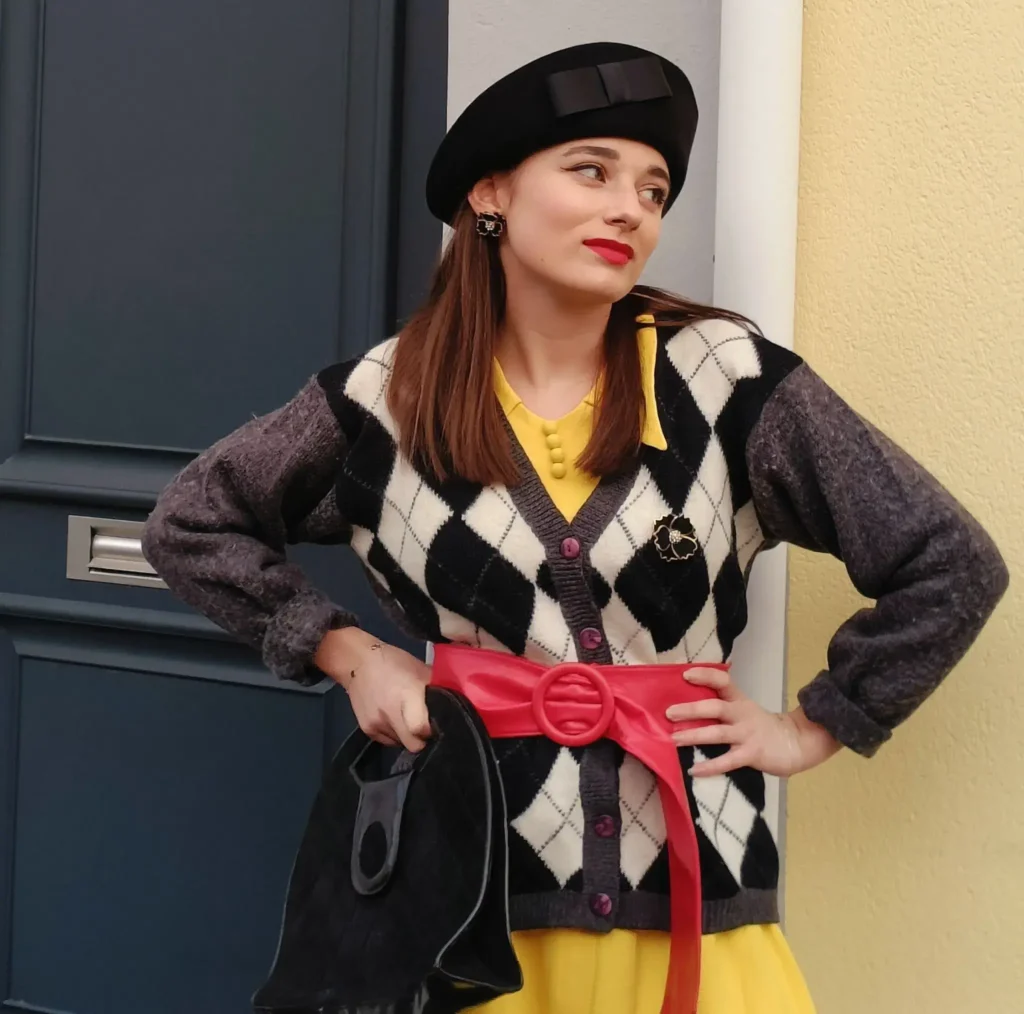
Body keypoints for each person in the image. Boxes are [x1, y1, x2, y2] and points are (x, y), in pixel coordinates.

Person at [141, 41, 1009, 1014]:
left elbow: (948, 561)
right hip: (467, 909)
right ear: (491, 196)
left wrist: (814, 727)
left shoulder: (725, 378)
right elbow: (190, 525)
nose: (629, 205)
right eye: (591, 170)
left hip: (693, 899)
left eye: (652, 187)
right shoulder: (382, 400)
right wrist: (349, 654)